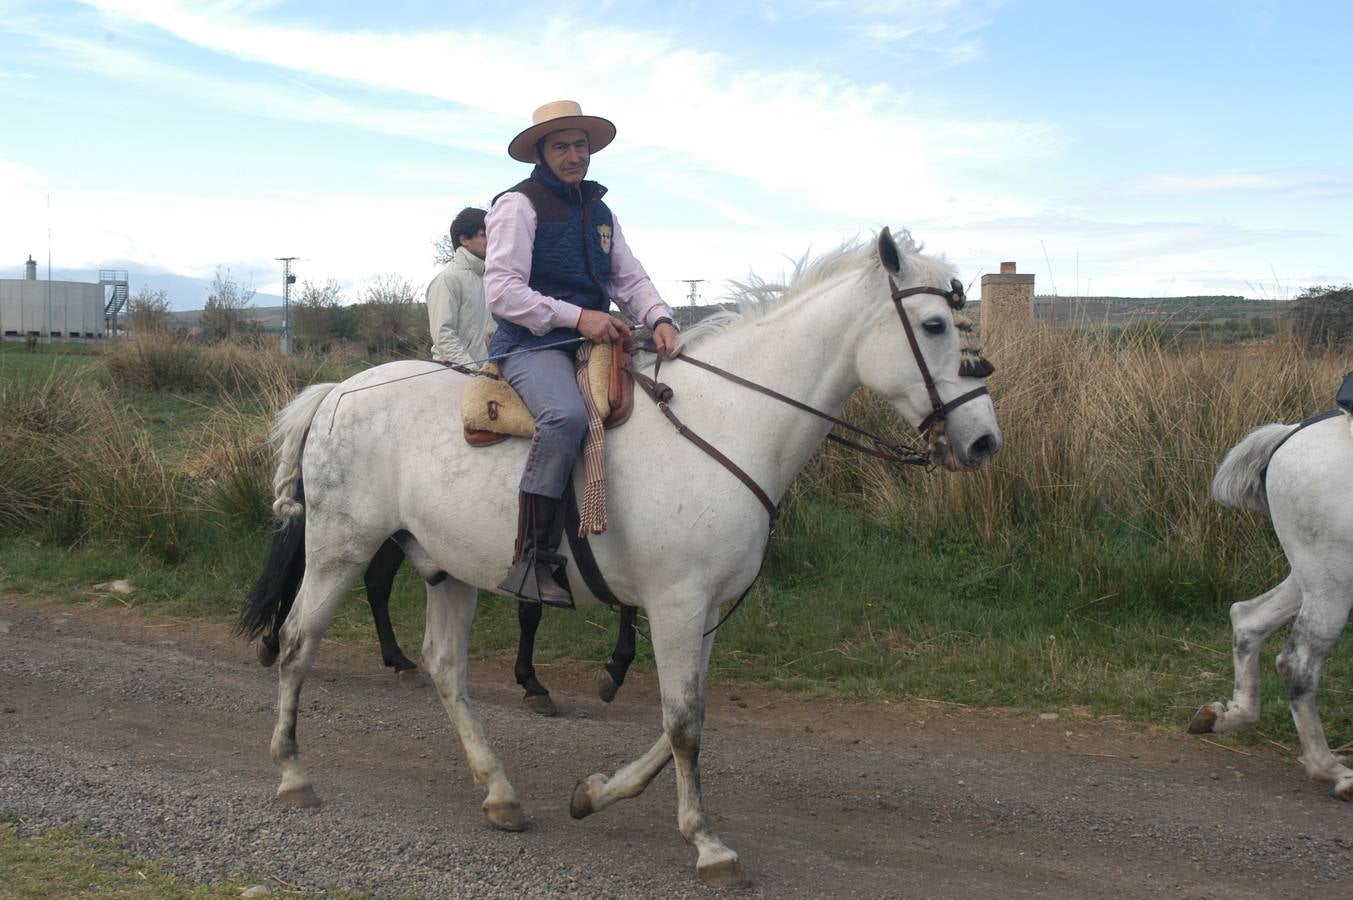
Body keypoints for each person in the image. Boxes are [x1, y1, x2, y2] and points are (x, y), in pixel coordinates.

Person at [484, 100, 680, 608]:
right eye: (561, 147)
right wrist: (578, 316)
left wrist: (658, 316)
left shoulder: (599, 211)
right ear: (542, 153)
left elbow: (627, 278)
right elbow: (503, 291)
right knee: (565, 417)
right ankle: (530, 560)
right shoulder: (517, 205)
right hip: (533, 342)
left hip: (591, 339)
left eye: (580, 146)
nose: (574, 156)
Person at [426, 207, 494, 369]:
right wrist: (472, 371)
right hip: (456, 375)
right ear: (464, 240)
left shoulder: (494, 278)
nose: (493, 239)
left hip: (492, 374)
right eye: (485, 235)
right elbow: (444, 335)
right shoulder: (447, 280)